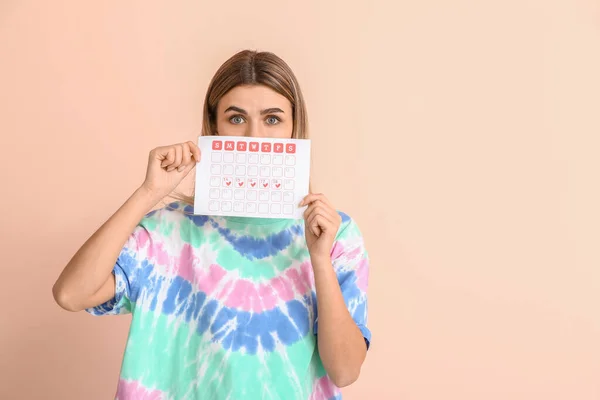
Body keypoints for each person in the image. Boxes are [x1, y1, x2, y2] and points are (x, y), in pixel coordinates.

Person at [52, 50, 371, 400]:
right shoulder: (168, 232)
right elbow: (71, 294)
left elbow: (344, 370)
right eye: (236, 119)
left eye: (273, 119)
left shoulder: (335, 234)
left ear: (295, 127)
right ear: (213, 126)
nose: (254, 138)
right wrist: (148, 193)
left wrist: (320, 260)